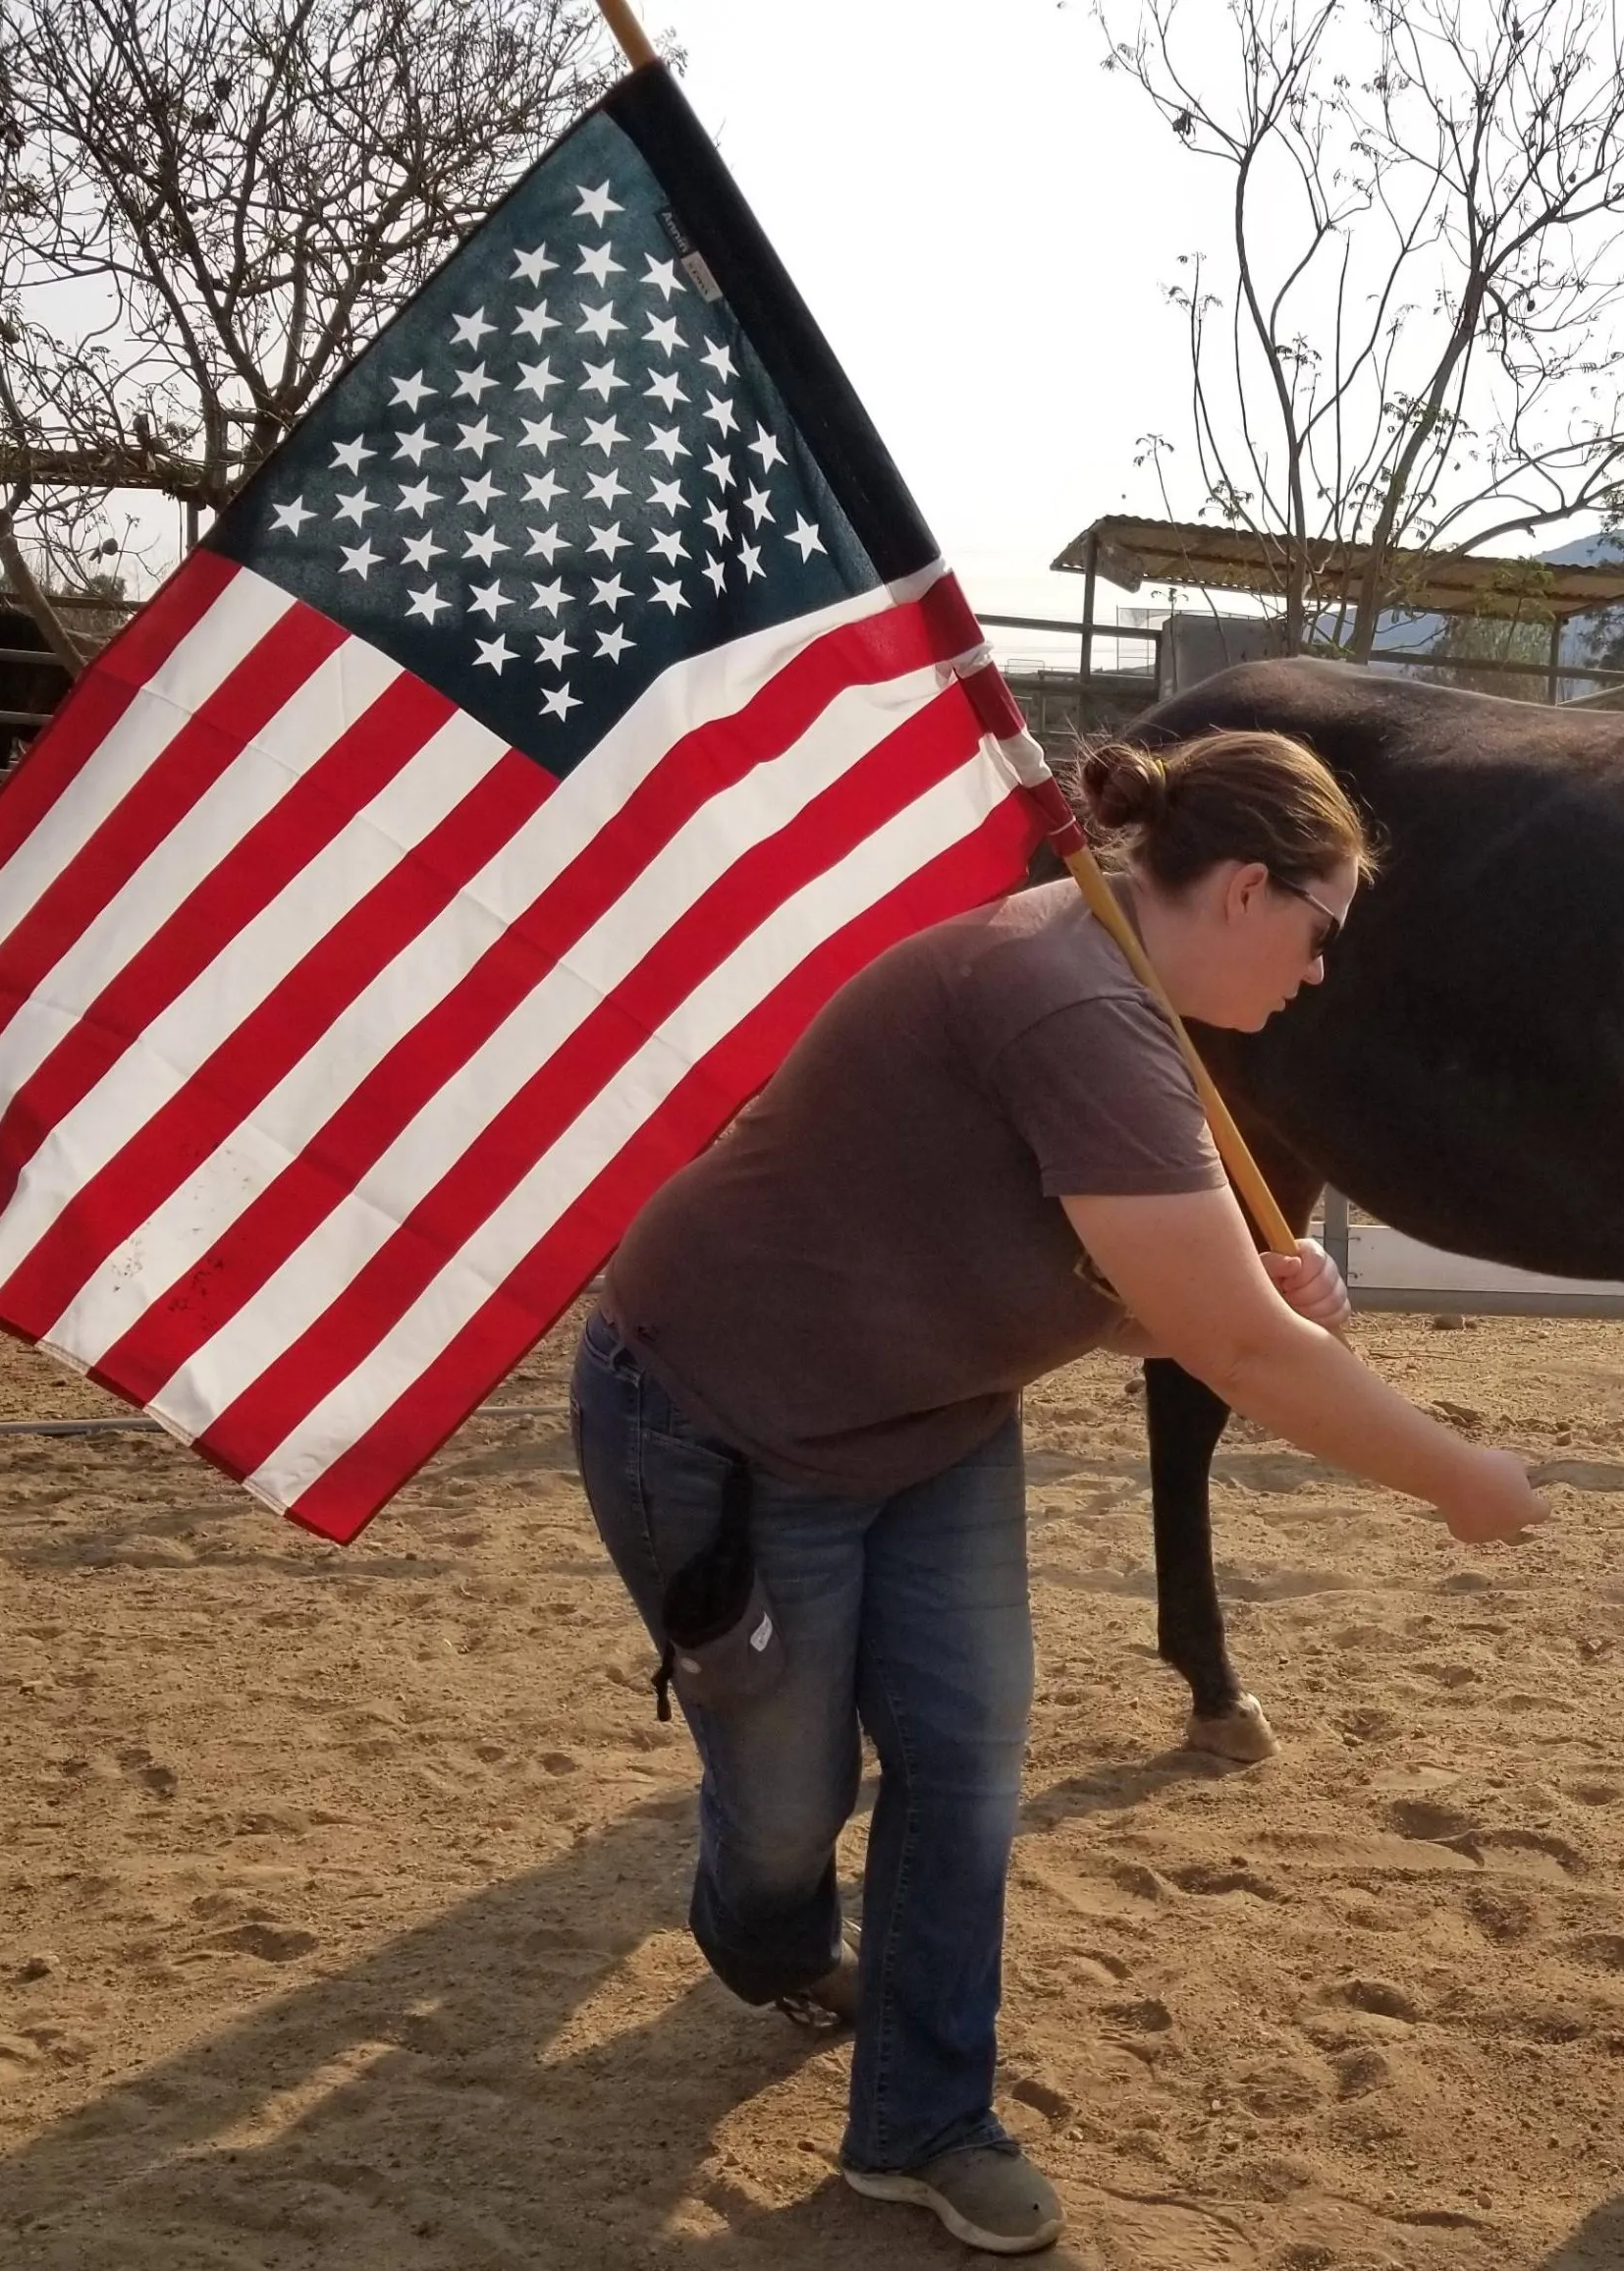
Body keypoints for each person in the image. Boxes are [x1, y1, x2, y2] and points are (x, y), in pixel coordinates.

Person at [571, 728, 1546, 2255]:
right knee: (787, 1815)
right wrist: (1456, 1476)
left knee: (963, 1767)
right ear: (1241, 890)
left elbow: (1133, 1297)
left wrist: (1240, 1298)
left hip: (936, 1420)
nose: (1319, 973)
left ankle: (922, 2123)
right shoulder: (1074, 1006)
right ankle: (762, 1933)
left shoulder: (1129, 1007)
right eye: (1322, 930)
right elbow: (1236, 1351)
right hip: (721, 1422)